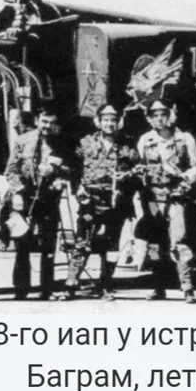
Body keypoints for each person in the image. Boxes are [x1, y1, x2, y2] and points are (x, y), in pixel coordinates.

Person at [63, 104, 140, 301]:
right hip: (91, 200)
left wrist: (127, 175)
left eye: (113, 119)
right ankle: (71, 284)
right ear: (98, 121)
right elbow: (73, 168)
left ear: (119, 122)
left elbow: (138, 169)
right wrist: (77, 188)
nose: (110, 123)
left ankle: (106, 285)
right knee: (83, 242)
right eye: (106, 119)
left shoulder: (127, 145)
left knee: (112, 245)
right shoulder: (85, 142)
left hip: (116, 202)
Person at [0, 102, 73, 301]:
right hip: (25, 197)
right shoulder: (23, 140)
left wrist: (57, 172)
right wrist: (17, 192)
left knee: (48, 245)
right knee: (22, 243)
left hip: (49, 198)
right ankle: (21, 289)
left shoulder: (62, 142)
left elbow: (70, 168)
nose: (47, 126)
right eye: (44, 121)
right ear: (36, 121)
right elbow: (11, 170)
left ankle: (46, 289)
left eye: (51, 122)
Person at [135, 98, 196, 304]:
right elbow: (140, 166)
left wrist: (185, 180)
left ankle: (187, 287)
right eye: (155, 115)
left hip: (176, 197)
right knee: (155, 243)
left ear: (170, 115)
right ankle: (158, 286)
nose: (159, 119)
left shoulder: (185, 138)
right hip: (153, 197)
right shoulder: (145, 140)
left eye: (163, 114)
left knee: (179, 241)